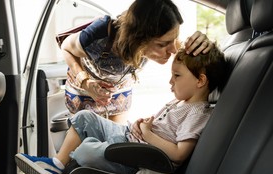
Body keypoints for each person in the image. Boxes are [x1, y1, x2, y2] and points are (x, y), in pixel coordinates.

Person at [15, 45, 227, 174]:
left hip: (138, 159)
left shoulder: (199, 112)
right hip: (130, 137)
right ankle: (57, 167)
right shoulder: (181, 101)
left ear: (200, 81)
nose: (171, 82)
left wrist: (146, 132)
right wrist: (144, 124)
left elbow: (179, 154)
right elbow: (165, 126)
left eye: (177, 76)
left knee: (88, 148)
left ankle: (61, 173)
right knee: (84, 117)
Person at [61, 0, 214, 124]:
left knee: (112, 143)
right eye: (162, 45)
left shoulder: (166, 39)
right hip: (85, 88)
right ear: (137, 39)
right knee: (83, 138)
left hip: (120, 90)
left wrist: (204, 43)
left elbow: (191, 53)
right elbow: (66, 48)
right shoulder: (99, 34)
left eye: (174, 40)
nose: (173, 50)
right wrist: (85, 82)